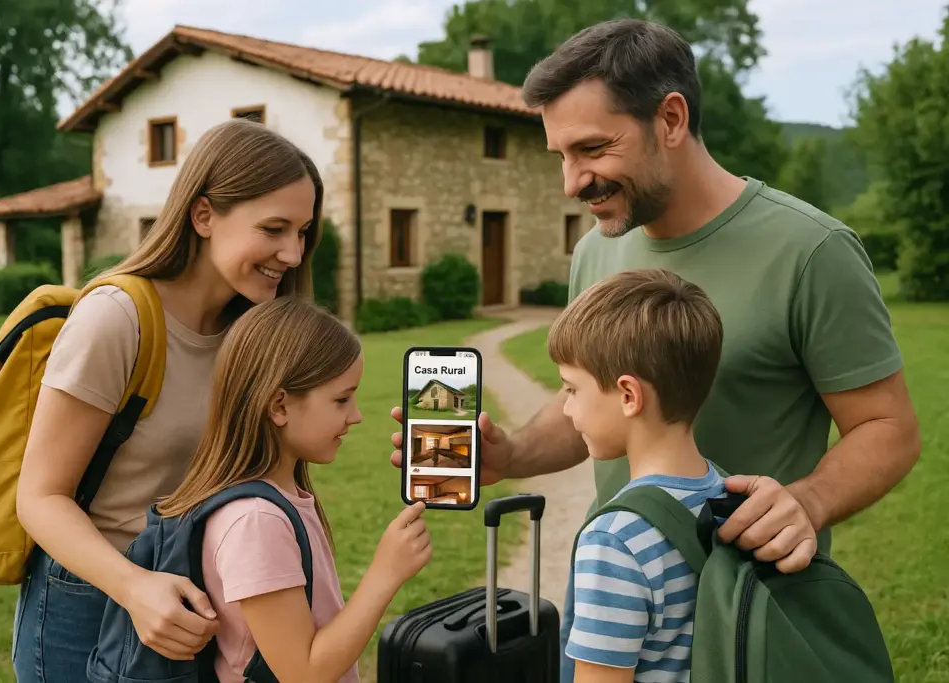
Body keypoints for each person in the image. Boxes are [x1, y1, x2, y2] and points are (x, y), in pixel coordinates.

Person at [388, 11, 920, 647]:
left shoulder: (812, 251)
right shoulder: (596, 250)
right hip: (611, 601)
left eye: (593, 148)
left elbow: (888, 428)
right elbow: (596, 402)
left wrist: (806, 503)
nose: (571, 182)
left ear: (670, 119)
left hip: (744, 617)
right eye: (561, 155)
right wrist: (513, 455)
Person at [13, 119, 326, 683]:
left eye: (303, 232)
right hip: (92, 600)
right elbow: (39, 496)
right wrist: (135, 588)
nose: (294, 253)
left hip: (199, 596)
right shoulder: (118, 318)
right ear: (203, 215)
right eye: (275, 228)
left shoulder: (252, 329)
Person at [155, 296, 432, 683]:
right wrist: (386, 573)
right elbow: (303, 673)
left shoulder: (281, 500)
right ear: (280, 406)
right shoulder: (255, 522)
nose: (356, 416)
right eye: (341, 400)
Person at [548, 268, 727, 683]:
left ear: (629, 395)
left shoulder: (614, 541)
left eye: (571, 389)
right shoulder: (729, 496)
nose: (566, 409)